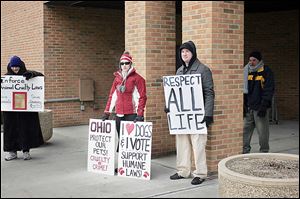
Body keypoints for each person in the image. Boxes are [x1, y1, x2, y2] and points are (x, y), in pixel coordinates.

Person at [165, 41, 215, 185]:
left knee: (198, 144)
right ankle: (183, 170)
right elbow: (175, 93)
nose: (184, 54)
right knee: (182, 144)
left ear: (193, 53)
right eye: (182, 52)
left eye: (187, 51)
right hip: (182, 116)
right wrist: (169, 106)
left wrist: (208, 113)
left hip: (197, 115)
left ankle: (200, 173)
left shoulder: (203, 70)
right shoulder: (179, 70)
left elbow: (209, 93)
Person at [100, 51, 147, 171]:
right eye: (122, 63)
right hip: (119, 115)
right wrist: (107, 112)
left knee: (131, 142)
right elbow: (112, 96)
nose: (124, 65)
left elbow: (142, 97)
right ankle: (122, 166)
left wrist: (140, 114)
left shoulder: (138, 79)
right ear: (120, 65)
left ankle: (131, 167)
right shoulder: (117, 79)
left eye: (127, 63)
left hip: (132, 115)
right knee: (122, 141)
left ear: (130, 64)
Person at [2, 55, 45, 161]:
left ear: (21, 66)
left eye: (17, 66)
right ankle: (12, 152)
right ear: (10, 67)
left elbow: (41, 77)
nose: (15, 69)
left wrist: (32, 74)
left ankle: (26, 151)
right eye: (13, 67)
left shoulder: (27, 74)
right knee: (11, 131)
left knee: (25, 130)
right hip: (10, 111)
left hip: (25, 110)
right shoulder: (6, 77)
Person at [243, 51, 274, 154]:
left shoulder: (266, 71)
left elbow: (269, 90)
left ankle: (264, 151)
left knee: (262, 132)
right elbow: (243, 90)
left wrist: (264, 106)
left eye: (254, 60)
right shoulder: (247, 71)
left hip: (261, 108)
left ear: (259, 61)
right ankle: (244, 150)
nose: (251, 62)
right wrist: (243, 105)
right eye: (250, 60)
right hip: (249, 108)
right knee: (245, 131)